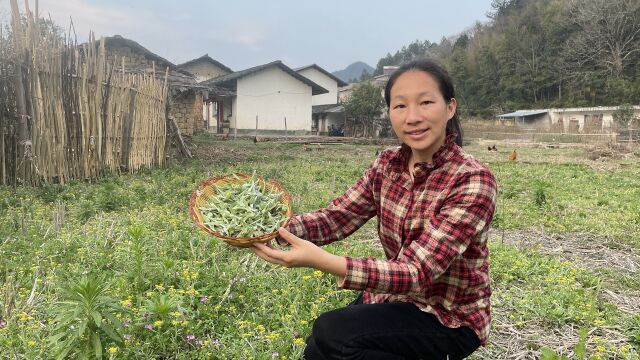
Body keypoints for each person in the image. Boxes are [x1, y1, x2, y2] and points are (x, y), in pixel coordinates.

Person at [251, 59, 497, 360]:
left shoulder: (472, 179)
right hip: (396, 297)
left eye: (426, 102)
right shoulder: (387, 164)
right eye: (400, 106)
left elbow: (416, 272)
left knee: (334, 335)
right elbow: (337, 217)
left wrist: (323, 261)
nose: (413, 117)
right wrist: (273, 227)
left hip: (449, 317)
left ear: (450, 107)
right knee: (317, 349)